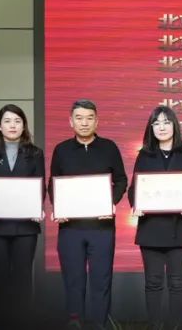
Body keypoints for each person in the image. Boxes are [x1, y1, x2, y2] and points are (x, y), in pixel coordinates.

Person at [49, 99, 128, 329]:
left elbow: (121, 180)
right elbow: (53, 183)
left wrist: (111, 203)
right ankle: (75, 322)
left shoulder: (109, 147)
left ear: (97, 121)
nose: (84, 123)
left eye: (89, 118)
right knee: (73, 279)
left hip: (102, 227)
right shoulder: (61, 150)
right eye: (79, 118)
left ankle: (100, 323)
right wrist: (58, 207)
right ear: (71, 121)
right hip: (70, 228)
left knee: (101, 279)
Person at [128, 106, 182, 329]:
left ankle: (175, 326)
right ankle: (155, 325)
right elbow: (134, 189)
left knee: (177, 282)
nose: (161, 127)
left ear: (174, 125)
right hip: (151, 228)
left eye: (166, 122)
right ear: (151, 128)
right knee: (153, 282)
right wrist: (136, 204)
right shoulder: (144, 155)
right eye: (156, 123)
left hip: (180, 227)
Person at [0, 104, 46, 313]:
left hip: (26, 227)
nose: (12, 125)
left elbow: (40, 184)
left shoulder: (35, 153)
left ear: (24, 125)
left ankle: (23, 321)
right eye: (7, 121)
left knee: (23, 278)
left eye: (17, 121)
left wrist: (37, 207)